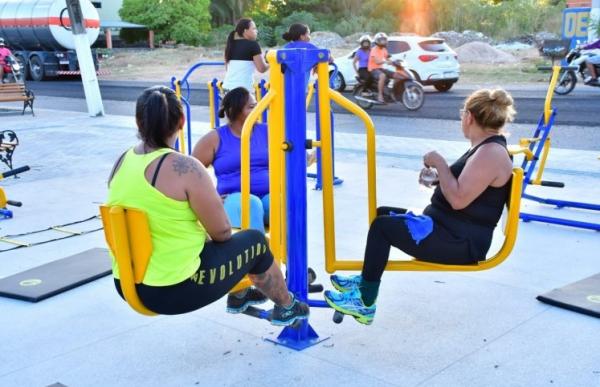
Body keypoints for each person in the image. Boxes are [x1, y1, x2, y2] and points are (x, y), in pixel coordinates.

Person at [107, 86, 309, 326]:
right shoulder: (185, 167)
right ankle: (288, 306)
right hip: (173, 288)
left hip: (128, 282)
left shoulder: (121, 161)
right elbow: (222, 233)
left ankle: (241, 293)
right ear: (182, 121)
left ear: (138, 121)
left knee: (236, 234)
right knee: (254, 242)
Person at [324, 88, 516, 325]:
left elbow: (458, 200)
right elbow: (468, 189)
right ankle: (367, 279)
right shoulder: (486, 148)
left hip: (460, 243)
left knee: (383, 227)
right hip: (449, 229)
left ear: (469, 117)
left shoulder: (491, 153)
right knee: (382, 213)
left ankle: (365, 302)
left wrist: (440, 163)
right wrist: (437, 179)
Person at [193, 87, 270, 233]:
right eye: (252, 107)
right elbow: (191, 173)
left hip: (267, 195)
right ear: (235, 110)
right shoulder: (215, 138)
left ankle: (284, 255)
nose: (258, 109)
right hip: (234, 199)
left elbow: (288, 155)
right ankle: (259, 254)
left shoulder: (266, 131)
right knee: (251, 205)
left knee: (280, 203)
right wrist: (210, 198)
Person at [222, 18, 269, 93]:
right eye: (254, 29)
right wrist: (270, 62)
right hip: (243, 90)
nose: (256, 31)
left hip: (227, 88)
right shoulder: (253, 45)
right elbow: (261, 69)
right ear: (245, 31)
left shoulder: (231, 44)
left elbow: (227, 68)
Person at [368, 32, 393, 103]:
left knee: (394, 74)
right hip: (373, 69)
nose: (383, 42)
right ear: (377, 41)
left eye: (384, 40)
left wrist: (394, 62)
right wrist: (385, 62)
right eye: (381, 40)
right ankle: (380, 95)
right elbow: (376, 62)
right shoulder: (374, 50)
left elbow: (388, 58)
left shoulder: (384, 50)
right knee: (382, 76)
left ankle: (391, 92)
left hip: (380, 68)